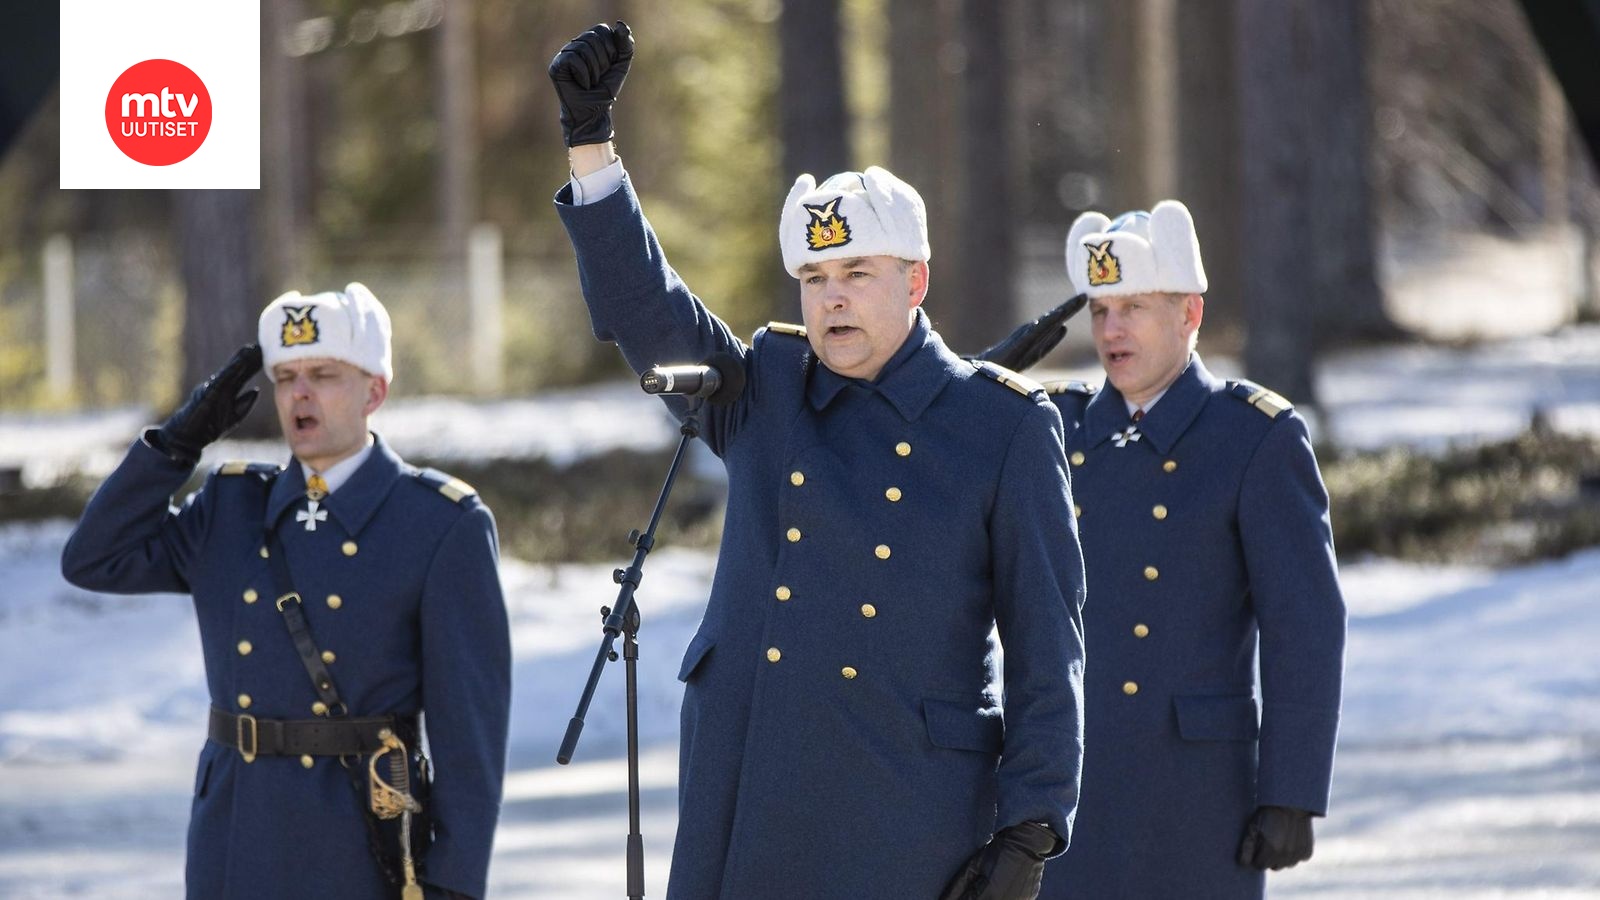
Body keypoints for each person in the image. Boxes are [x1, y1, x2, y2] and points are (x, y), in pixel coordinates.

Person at [548, 22, 1087, 900]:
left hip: (907, 815)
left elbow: (1046, 651)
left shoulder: (1004, 428)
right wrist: (591, 146)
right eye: (815, 276)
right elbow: (648, 316)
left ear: (914, 283)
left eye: (857, 273)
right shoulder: (769, 388)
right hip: (749, 794)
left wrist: (1029, 830)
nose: (832, 298)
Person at [60, 284, 511, 900]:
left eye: (324, 374)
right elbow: (93, 559)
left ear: (374, 391)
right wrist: (174, 446)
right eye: (286, 376)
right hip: (233, 833)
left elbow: (470, 739)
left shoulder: (438, 523)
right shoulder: (230, 505)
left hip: (357, 843)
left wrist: (453, 887)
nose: (300, 393)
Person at [1016, 201, 1346, 898]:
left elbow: (1304, 626)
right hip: (1067, 785)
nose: (1111, 330)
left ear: (1189, 314)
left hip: (1197, 793)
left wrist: (1292, 791)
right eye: (1101, 311)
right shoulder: (1054, 430)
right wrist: (983, 382)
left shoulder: (1254, 438)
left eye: (1133, 307)